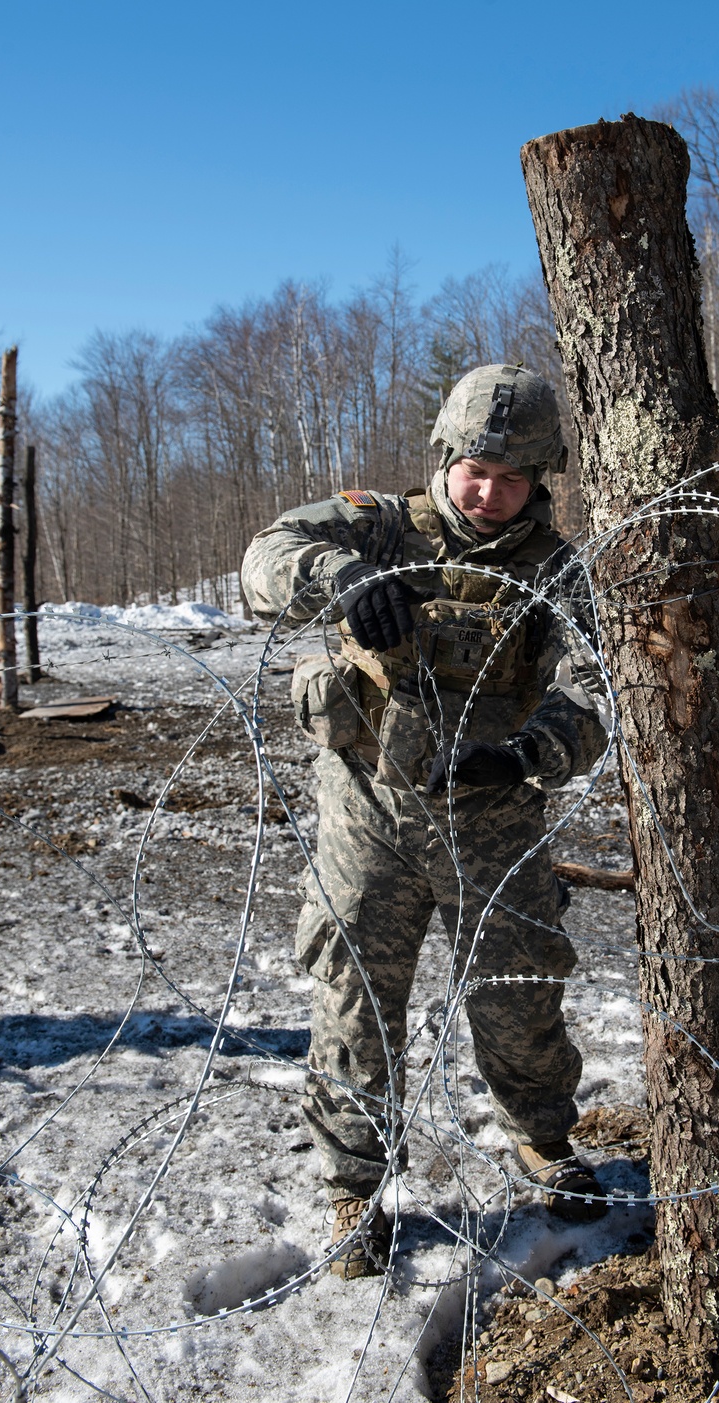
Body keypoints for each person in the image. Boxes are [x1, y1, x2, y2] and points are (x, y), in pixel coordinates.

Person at [241, 364, 608, 1279]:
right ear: (446, 455)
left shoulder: (557, 569)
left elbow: (597, 690)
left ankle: (544, 1141)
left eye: (514, 476)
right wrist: (343, 574)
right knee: (356, 998)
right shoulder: (378, 525)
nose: (489, 492)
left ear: (542, 479)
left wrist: (527, 754)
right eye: (476, 469)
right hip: (367, 807)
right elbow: (260, 560)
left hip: (495, 817)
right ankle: (354, 1187)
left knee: (520, 997)